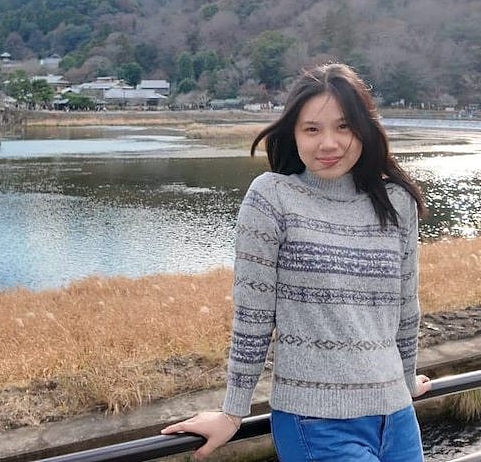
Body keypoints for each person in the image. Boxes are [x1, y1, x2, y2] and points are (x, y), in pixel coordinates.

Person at [161, 63, 431, 461]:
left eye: (344, 127)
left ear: (365, 130)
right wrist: (233, 413)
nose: (329, 143)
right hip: (316, 421)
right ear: (294, 133)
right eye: (312, 129)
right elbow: (253, 313)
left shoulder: (395, 202)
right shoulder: (273, 197)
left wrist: (405, 381)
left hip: (397, 416)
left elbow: (405, 307)